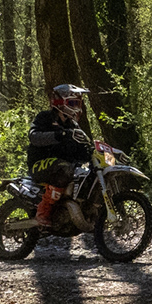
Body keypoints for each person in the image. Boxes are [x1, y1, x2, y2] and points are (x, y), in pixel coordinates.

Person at [27, 84, 93, 228]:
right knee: (64, 168)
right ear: (60, 103)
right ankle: (43, 212)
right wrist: (60, 135)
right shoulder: (44, 117)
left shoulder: (73, 125)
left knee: (89, 170)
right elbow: (34, 137)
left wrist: (93, 153)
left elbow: (84, 147)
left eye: (78, 103)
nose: (77, 107)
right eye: (73, 103)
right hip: (39, 164)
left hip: (63, 165)